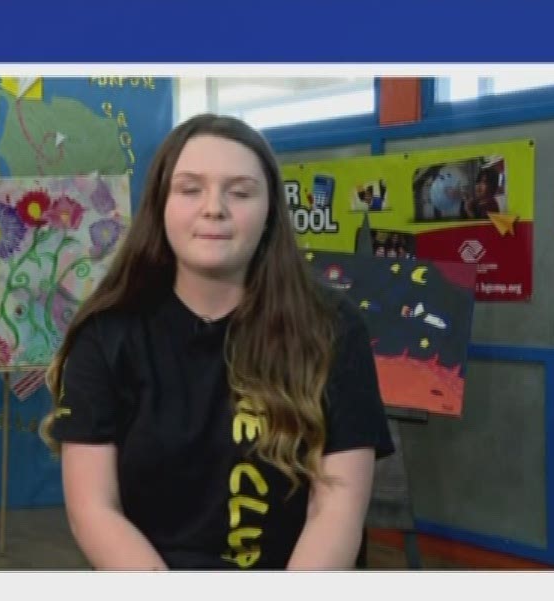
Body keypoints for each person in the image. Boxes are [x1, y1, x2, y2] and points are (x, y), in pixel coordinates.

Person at [42, 114, 393, 571]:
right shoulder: (105, 335)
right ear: (160, 204)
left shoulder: (332, 328)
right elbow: (93, 509)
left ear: (270, 210)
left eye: (240, 192)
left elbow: (337, 509)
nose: (214, 208)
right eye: (190, 189)